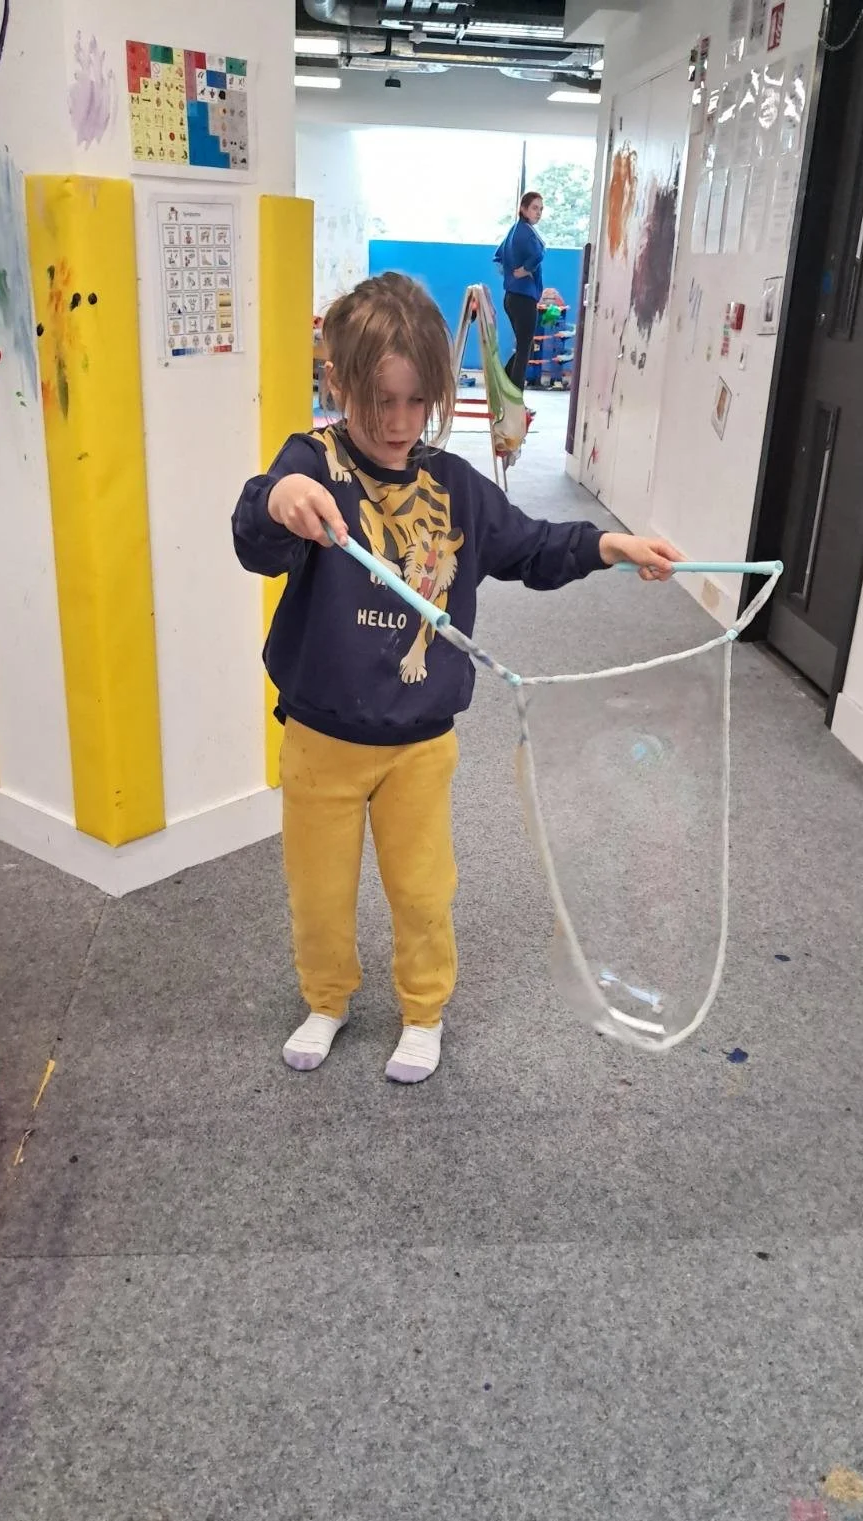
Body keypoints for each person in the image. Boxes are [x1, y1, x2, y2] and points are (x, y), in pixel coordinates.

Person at [232, 272, 681, 1086]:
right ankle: (327, 999)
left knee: (423, 890)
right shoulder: (314, 461)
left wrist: (609, 547)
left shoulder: (455, 486)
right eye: (379, 401)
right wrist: (278, 498)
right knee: (318, 893)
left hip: (419, 743)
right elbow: (258, 541)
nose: (400, 423)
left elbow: (532, 547)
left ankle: (423, 1009)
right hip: (319, 737)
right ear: (336, 382)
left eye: (417, 401)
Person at [495, 191, 545, 393]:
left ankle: (504, 384)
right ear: (523, 209)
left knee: (526, 346)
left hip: (512, 298)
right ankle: (515, 396)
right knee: (525, 349)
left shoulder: (513, 230)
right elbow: (539, 254)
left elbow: (498, 258)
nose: (539, 213)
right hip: (523, 299)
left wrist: (509, 273)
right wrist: (524, 270)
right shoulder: (526, 231)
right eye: (534, 208)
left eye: (541, 209)